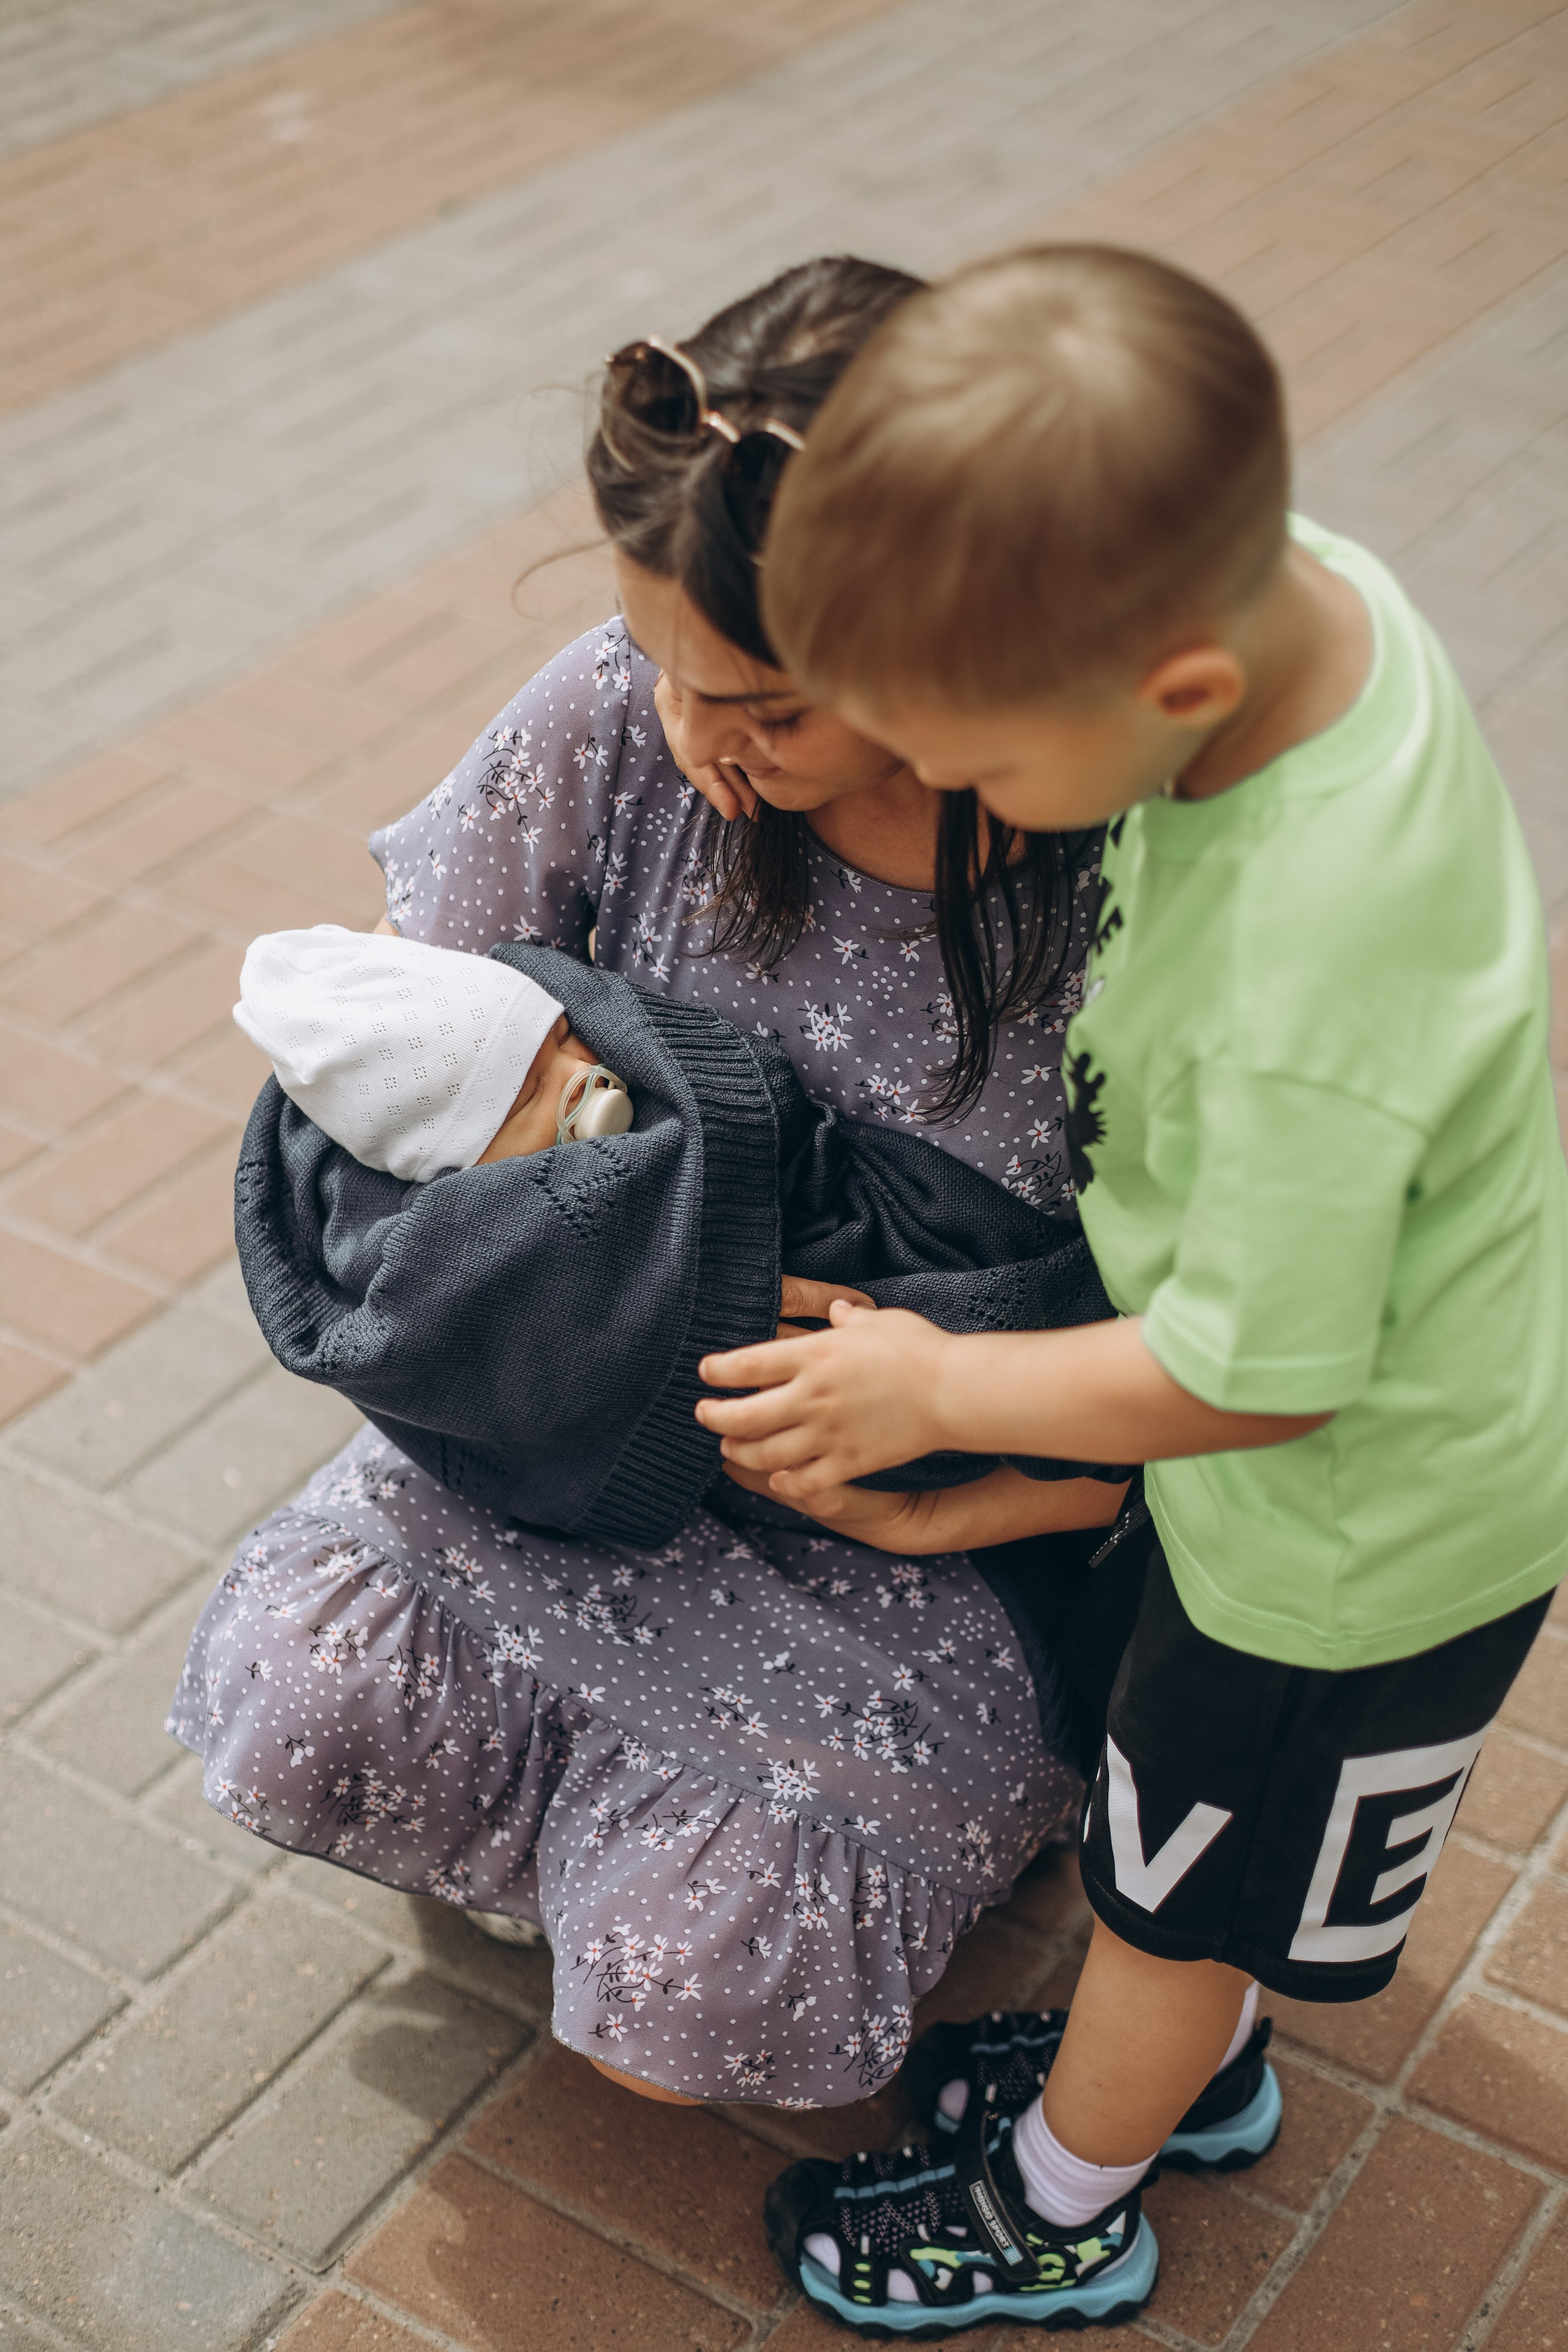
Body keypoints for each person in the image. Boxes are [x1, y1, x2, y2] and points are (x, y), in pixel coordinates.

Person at [168, 255, 1169, 2116]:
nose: (697, 741)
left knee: (694, 2004)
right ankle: (578, 1826)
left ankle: (726, 1841)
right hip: (578, 1436)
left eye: (770, 708)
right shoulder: (623, 714)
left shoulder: (1111, 848)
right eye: (662, 665)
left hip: (931, 1525)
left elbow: (1232, 1337)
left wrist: (990, 1475)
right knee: (310, 1710)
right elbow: (403, 1065)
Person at [693, 244, 1568, 2329]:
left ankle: (1062, 2207)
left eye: (980, 763)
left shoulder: (1300, 976)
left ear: (1170, 692)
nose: (969, 806)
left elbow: (1258, 1377)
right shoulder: (1290, 589)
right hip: (1326, 1453)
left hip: (1344, 1533)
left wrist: (940, 1395)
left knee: (1174, 1890)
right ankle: (1182, 2078)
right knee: (1190, 1867)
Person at [230, 922, 1128, 1542]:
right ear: (454, 1176)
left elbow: (740, 1113)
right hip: (798, 1413)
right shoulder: (463, 1247)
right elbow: (517, 1332)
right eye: (531, 1098)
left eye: (561, 1045)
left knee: (977, 1285)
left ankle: (1078, 1367)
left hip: (858, 1247)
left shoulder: (603, 1051)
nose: (586, 1077)